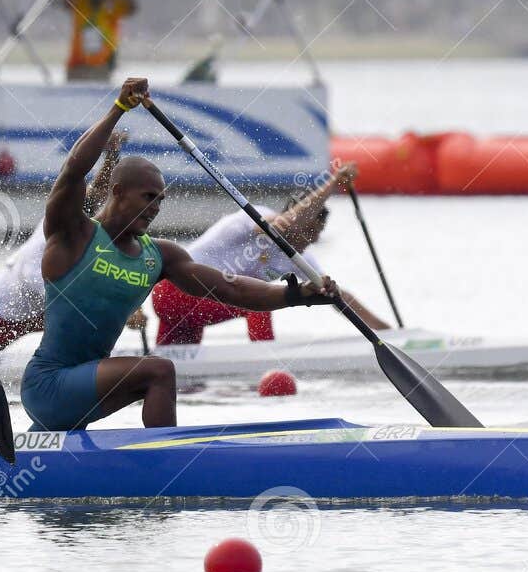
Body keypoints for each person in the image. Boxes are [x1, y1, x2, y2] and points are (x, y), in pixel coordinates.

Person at [21, 77, 339, 431]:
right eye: (147, 197)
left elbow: (232, 289)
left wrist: (298, 296)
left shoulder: (160, 256)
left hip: (80, 393)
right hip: (48, 384)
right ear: (117, 192)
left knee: (150, 375)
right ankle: (166, 467)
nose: (156, 207)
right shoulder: (73, 233)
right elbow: (72, 170)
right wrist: (118, 108)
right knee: (159, 370)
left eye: (161, 200)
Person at [150, 162, 390, 345]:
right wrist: (333, 182)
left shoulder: (301, 260)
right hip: (174, 290)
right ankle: (266, 358)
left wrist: (385, 332)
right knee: (257, 300)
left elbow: (337, 298)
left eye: (319, 232)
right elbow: (289, 223)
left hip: (196, 308)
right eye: (311, 231)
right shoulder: (255, 221)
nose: (314, 239)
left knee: (179, 371)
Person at [0, 127, 133, 352]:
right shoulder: (57, 226)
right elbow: (41, 283)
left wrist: (111, 153)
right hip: (8, 309)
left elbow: (99, 191)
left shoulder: (87, 226)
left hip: (46, 310)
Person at [63, 0, 136, 82]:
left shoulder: (113, 2)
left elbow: (132, 8)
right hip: (77, 65)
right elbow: (65, 2)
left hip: (102, 66)